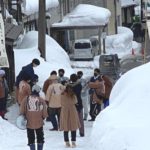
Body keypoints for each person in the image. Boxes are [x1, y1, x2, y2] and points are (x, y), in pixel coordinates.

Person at [20, 85, 48, 150]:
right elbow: (44, 112)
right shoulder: (41, 100)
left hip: (29, 122)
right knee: (40, 137)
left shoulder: (26, 99)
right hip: (39, 122)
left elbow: (22, 110)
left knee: (31, 138)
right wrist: (43, 117)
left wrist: (24, 115)